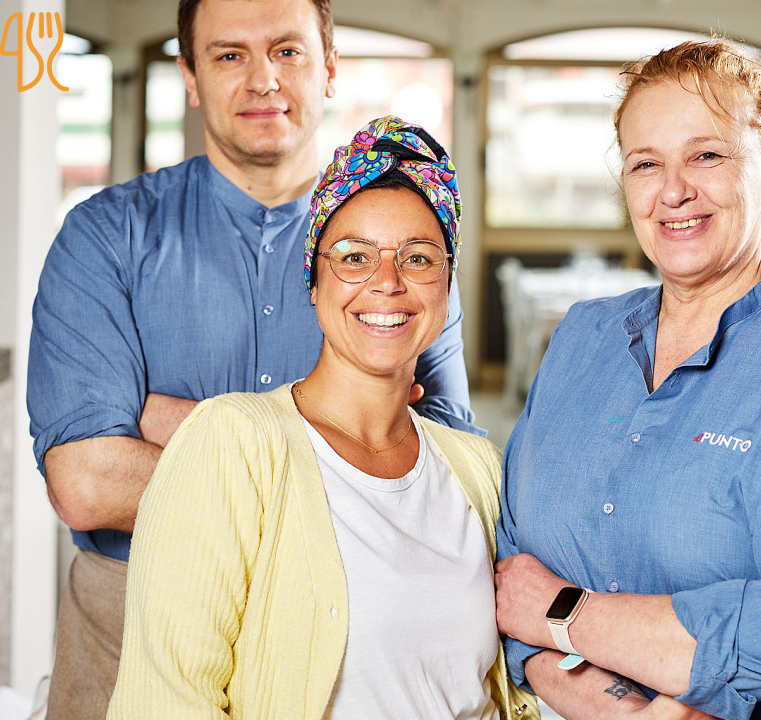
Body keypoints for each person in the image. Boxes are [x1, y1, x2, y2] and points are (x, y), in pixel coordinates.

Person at [26, 0, 477, 716]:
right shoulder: (104, 235)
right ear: (190, 75)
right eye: (230, 55)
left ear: (329, 67)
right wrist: (347, 447)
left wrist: (164, 421)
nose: (263, 79)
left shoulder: (395, 256)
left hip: (343, 626)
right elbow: (86, 483)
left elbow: (443, 479)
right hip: (126, 618)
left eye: (288, 51)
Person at [494, 40, 761, 720]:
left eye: (707, 156)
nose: (673, 191)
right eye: (645, 164)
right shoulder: (581, 338)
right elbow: (511, 580)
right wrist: (626, 711)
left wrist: (564, 611)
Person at [106, 117, 535, 720]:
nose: (387, 283)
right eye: (355, 257)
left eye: (418, 258)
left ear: (446, 284)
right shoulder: (233, 442)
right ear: (314, 280)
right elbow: (166, 700)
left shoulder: (478, 468)